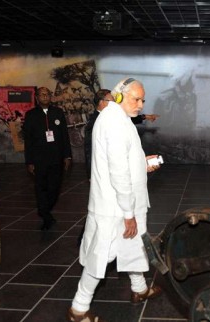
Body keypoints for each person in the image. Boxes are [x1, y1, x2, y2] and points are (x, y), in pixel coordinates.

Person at [68, 78, 162, 322]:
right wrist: (128, 213)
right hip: (116, 208)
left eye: (143, 100)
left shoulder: (119, 118)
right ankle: (79, 308)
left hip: (123, 202)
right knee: (103, 255)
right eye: (136, 99)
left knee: (134, 245)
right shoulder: (114, 123)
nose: (141, 104)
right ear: (119, 96)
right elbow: (118, 172)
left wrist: (142, 164)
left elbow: (124, 161)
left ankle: (139, 289)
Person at [23, 87, 72, 231]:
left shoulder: (58, 113)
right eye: (42, 95)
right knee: (41, 188)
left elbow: (64, 135)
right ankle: (45, 214)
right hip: (39, 159)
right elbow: (28, 140)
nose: (45, 96)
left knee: (54, 188)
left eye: (47, 94)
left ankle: (44, 209)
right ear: (37, 98)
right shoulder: (31, 115)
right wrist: (29, 161)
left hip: (56, 157)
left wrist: (67, 155)